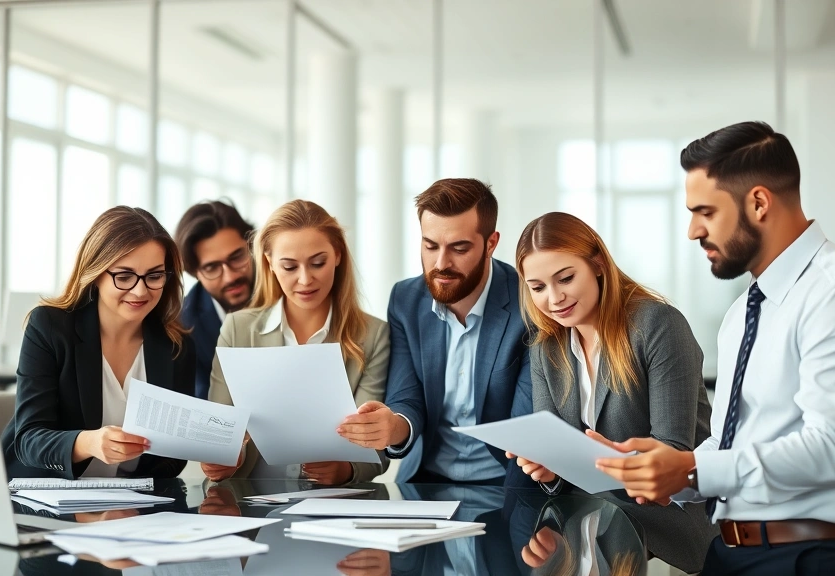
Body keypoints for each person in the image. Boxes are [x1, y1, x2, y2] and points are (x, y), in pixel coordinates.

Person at [595, 121, 835, 575]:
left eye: (704, 211)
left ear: (759, 203)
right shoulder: (747, 308)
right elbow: (741, 442)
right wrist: (669, 469)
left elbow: (831, 451)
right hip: (735, 550)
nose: (691, 231)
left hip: (811, 558)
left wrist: (692, 469)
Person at [507, 211, 716, 573]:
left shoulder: (656, 325)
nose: (554, 298)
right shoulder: (546, 348)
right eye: (537, 287)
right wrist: (548, 469)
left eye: (566, 278)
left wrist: (596, 461)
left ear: (598, 265)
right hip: (586, 532)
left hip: (665, 529)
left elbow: (673, 453)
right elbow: (557, 463)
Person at [337, 178, 533, 486]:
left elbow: (527, 422)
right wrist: (393, 425)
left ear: (491, 244)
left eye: (459, 248)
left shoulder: (529, 304)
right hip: (426, 481)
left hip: (506, 481)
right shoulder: (406, 300)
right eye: (430, 246)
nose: (441, 264)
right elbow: (406, 396)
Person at [201, 199, 389, 484]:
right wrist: (224, 459)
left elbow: (375, 444)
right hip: (249, 504)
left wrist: (346, 470)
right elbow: (217, 431)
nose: (305, 280)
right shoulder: (238, 329)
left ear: (338, 254)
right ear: (269, 263)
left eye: (318, 263)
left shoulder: (373, 335)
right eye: (289, 267)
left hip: (331, 506)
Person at [2, 206, 195, 480]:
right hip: (44, 494)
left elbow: (171, 457)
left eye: (154, 276)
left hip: (128, 505)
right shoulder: (49, 327)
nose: (140, 291)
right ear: (96, 273)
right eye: (124, 276)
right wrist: (89, 443)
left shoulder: (177, 347)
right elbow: (29, 440)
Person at [174, 199, 255, 399]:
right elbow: (202, 402)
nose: (230, 276)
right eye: (212, 267)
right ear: (195, 273)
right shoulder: (183, 325)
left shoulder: (287, 291)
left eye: (237, 257)